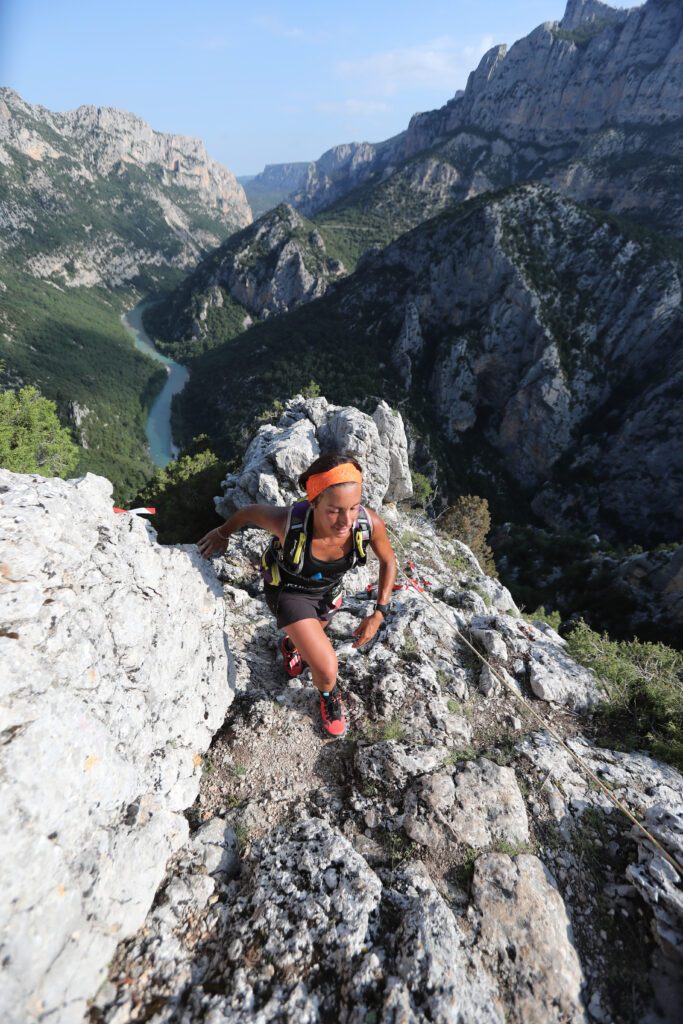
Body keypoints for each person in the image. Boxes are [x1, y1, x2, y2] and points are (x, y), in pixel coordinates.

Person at [197, 453, 397, 738]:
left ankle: (291, 645)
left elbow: (389, 561)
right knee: (327, 667)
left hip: (327, 592)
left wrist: (379, 612)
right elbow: (250, 512)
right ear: (314, 501)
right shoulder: (288, 523)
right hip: (288, 592)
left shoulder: (368, 525)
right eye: (334, 510)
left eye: (353, 507)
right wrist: (222, 532)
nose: (346, 520)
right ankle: (328, 696)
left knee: (310, 639)